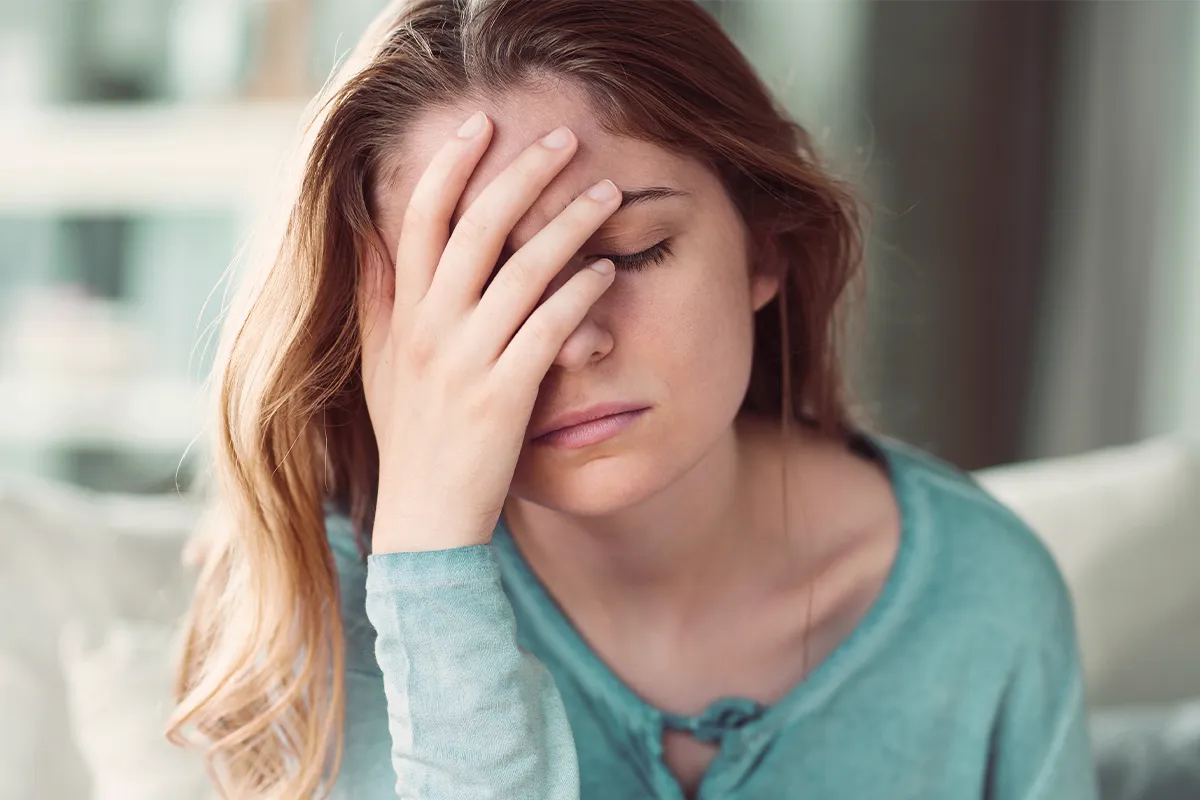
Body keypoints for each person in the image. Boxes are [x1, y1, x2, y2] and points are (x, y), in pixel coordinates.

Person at [167, 0, 1100, 798]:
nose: (572, 340)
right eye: (486, 287)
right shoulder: (321, 602)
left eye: (633, 251)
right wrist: (431, 570)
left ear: (764, 248)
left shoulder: (986, 603)